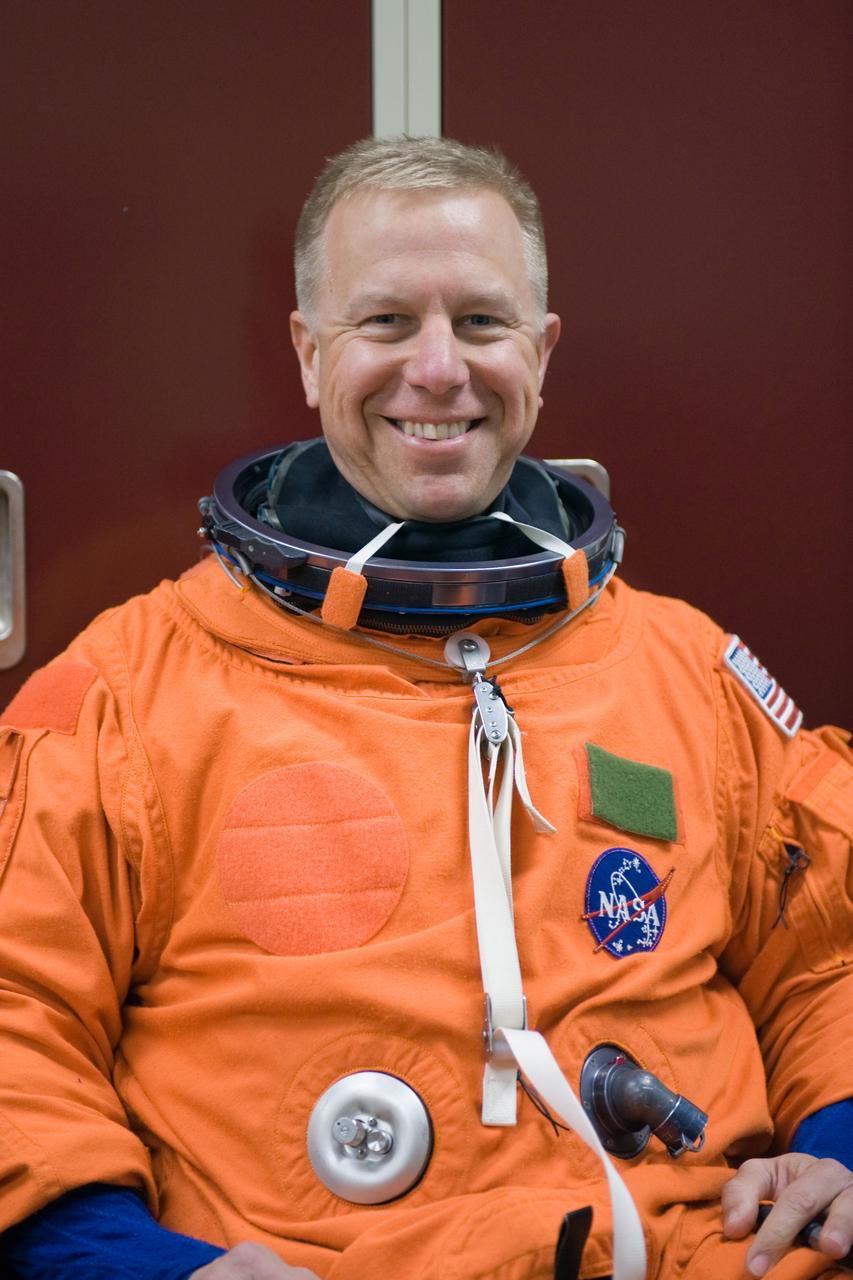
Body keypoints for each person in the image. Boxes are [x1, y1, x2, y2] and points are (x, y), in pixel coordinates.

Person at [0, 136, 850, 1280]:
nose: (440, 370)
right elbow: (14, 1009)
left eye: (483, 324)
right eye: (386, 322)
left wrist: (839, 1148)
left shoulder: (685, 672)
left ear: (541, 355)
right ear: (308, 352)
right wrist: (134, 1263)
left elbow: (828, 958)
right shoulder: (127, 693)